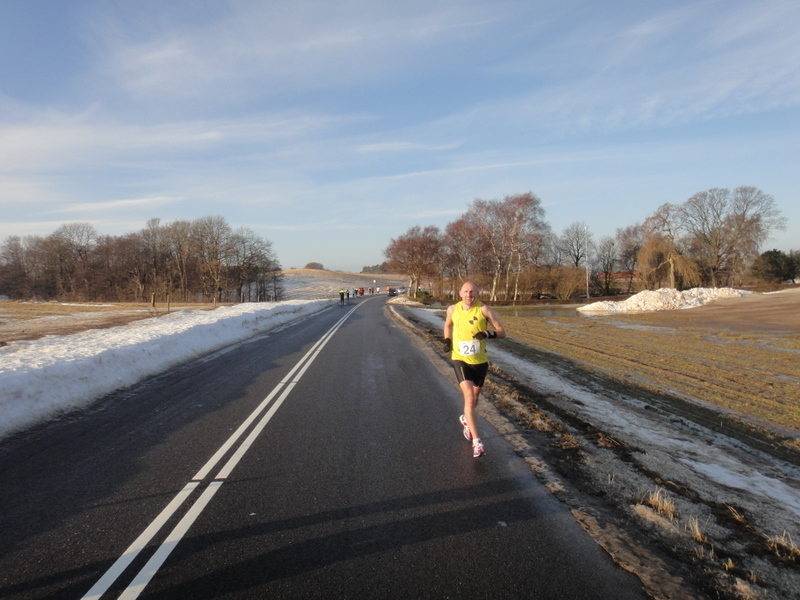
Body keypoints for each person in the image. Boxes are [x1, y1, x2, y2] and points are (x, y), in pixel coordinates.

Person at [443, 281, 506, 457]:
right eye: (466, 291)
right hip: (460, 358)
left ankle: (466, 419)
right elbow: (448, 325)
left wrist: (487, 333)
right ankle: (477, 442)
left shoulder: (484, 310)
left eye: (472, 292)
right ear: (460, 293)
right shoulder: (452, 310)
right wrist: (447, 340)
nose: (469, 295)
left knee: (475, 399)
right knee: (469, 399)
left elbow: (502, 332)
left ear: (477, 293)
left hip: (480, 361)